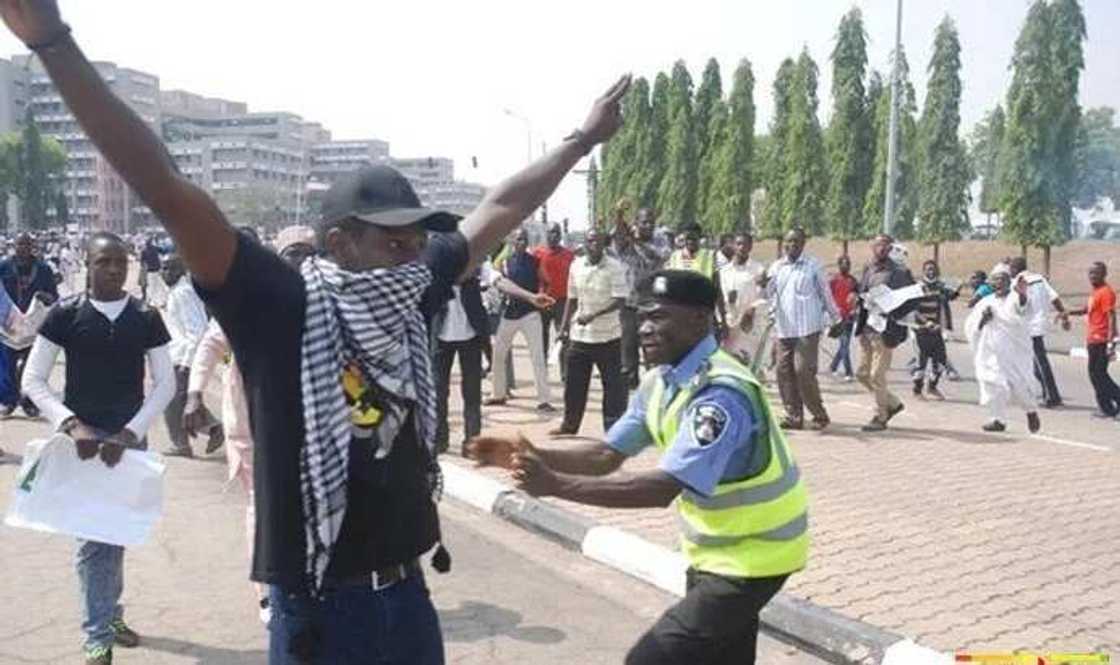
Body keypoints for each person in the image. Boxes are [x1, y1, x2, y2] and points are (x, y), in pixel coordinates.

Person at [1, 7, 629, 660]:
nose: (414, 255)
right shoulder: (277, 302)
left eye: (419, 241)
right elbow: (165, 183)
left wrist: (581, 140)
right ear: (340, 242)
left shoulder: (412, 284)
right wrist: (51, 41)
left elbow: (500, 206)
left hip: (408, 596)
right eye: (395, 241)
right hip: (317, 611)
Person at [468, 269, 808, 665]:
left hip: (756, 556)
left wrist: (555, 484)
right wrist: (533, 453)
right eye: (643, 317)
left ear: (699, 319)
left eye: (658, 317)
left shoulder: (719, 394)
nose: (644, 328)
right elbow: (606, 455)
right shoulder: (663, 381)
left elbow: (662, 487)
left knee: (651, 658)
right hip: (716, 553)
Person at [21, 231, 176, 665]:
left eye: (119, 262)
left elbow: (165, 383)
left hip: (129, 442)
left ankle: (110, 614)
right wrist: (72, 425)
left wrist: (130, 433)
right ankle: (97, 636)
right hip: (83, 446)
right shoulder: (65, 314)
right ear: (86, 265)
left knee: (117, 533)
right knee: (94, 541)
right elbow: (33, 380)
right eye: (103, 261)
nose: (113, 269)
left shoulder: (145, 316)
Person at [183, 227, 315, 626]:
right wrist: (194, 394)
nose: (301, 260)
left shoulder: (325, 298)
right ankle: (267, 592)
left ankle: (307, 581)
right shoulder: (255, 301)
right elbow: (210, 345)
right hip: (251, 421)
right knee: (262, 504)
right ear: (278, 258)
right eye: (293, 252)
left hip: (308, 424)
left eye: (308, 252)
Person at [553, 228, 628, 435]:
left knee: (612, 388)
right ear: (585, 243)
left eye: (598, 241)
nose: (594, 244)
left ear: (604, 244)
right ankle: (569, 426)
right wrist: (563, 328)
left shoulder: (615, 267)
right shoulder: (576, 266)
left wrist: (594, 314)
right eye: (590, 241)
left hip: (608, 337)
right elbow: (572, 298)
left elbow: (620, 300)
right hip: (580, 337)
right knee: (574, 386)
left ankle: (612, 430)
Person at [765, 228, 839, 430]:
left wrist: (836, 318)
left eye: (796, 242)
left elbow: (825, 294)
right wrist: (764, 288)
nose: (792, 245)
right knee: (783, 372)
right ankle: (794, 416)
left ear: (803, 244)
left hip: (807, 328)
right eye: (788, 241)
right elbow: (769, 294)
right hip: (783, 329)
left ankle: (819, 414)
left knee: (802, 371)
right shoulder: (776, 267)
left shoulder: (813, 265)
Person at [965, 266, 1042, 433]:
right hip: (991, 352)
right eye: (996, 279)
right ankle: (997, 419)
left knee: (1018, 383)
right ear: (991, 283)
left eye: (1003, 279)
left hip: (1014, 352)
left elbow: (1023, 310)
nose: (999, 282)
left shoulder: (1015, 297)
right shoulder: (985, 302)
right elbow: (972, 327)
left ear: (1008, 282)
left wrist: (1022, 295)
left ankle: (1030, 411)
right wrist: (983, 320)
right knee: (992, 383)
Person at [486, 227, 556, 411]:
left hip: (530, 314)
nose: (521, 242)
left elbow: (547, 281)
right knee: (498, 354)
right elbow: (497, 283)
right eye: (518, 239)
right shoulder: (505, 262)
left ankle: (544, 399)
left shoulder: (535, 261)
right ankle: (498, 394)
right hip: (509, 314)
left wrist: (543, 297)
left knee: (537, 356)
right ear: (512, 241)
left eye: (524, 239)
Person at [853, 234, 915, 432]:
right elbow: (862, 293)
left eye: (885, 245)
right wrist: (858, 298)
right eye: (878, 245)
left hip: (885, 330)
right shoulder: (869, 268)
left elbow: (913, 299)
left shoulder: (899, 272)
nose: (881, 248)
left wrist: (892, 310)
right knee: (862, 374)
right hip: (867, 329)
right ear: (872, 247)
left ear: (890, 248)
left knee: (876, 375)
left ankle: (880, 416)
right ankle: (893, 404)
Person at [431, 262, 491, 453]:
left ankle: (472, 442)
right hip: (441, 339)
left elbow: (498, 280)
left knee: (472, 393)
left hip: (471, 339)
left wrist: (530, 297)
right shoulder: (437, 277)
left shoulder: (476, 272)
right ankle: (440, 440)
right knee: (438, 392)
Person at [160, 254, 215, 457]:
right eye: (163, 268)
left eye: (171, 268)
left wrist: (186, 363)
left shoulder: (182, 293)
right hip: (178, 355)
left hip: (184, 357)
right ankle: (213, 428)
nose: (165, 273)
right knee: (180, 400)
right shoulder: (178, 291)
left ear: (182, 270)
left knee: (172, 401)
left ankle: (182, 445)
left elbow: (197, 331)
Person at [0, 232, 59, 418]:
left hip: (34, 326)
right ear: (14, 246)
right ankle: (8, 401)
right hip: (8, 324)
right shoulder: (3, 266)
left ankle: (29, 402)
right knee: (6, 365)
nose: (23, 248)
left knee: (31, 366)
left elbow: (54, 295)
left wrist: (46, 297)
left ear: (32, 246)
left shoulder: (43, 269)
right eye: (20, 244)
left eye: (26, 244)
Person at [609, 207, 665, 388]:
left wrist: (637, 241)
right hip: (629, 304)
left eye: (651, 222)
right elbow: (618, 236)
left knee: (652, 348)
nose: (648, 225)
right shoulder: (626, 243)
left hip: (652, 304)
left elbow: (659, 256)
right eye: (644, 222)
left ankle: (654, 386)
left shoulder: (660, 240)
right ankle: (631, 387)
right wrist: (619, 216)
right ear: (636, 223)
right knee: (628, 349)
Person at [1061, 262, 1120, 418]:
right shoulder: (1095, 292)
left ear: (1104, 274)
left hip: (1102, 340)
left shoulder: (1106, 292)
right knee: (1095, 375)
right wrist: (1068, 312)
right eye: (1090, 273)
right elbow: (1086, 310)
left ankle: (1113, 403)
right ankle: (1107, 409)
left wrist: (1111, 342)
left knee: (1099, 375)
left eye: (1096, 273)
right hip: (1093, 339)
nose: (1092, 276)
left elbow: (1112, 317)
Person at [1007, 256, 1067, 408]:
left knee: (1040, 362)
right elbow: (1055, 298)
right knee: (1034, 363)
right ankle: (1049, 394)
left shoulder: (1017, 282)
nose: (1009, 272)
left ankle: (1053, 397)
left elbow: (1015, 306)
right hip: (1039, 324)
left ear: (1016, 269)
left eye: (1011, 269)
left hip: (1028, 326)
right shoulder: (1040, 279)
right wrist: (1063, 314)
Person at [911, 260, 958, 401]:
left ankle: (932, 387)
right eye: (928, 269)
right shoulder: (917, 288)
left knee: (941, 362)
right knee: (921, 363)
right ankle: (917, 390)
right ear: (923, 271)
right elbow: (913, 310)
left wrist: (957, 288)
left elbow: (951, 296)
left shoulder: (940, 287)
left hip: (936, 330)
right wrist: (926, 322)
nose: (931, 272)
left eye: (933, 269)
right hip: (921, 330)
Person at [533, 223, 575, 376]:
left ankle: (566, 374)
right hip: (543, 301)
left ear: (561, 235)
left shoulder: (569, 256)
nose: (554, 235)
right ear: (546, 234)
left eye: (557, 232)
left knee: (564, 337)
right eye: (551, 232)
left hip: (562, 302)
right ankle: (542, 371)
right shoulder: (537, 254)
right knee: (541, 338)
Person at [719, 232, 765, 363]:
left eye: (745, 244)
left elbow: (763, 296)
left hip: (749, 325)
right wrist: (729, 301)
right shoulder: (724, 271)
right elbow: (720, 298)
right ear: (733, 245)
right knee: (728, 363)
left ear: (751, 247)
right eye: (738, 244)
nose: (742, 247)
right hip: (729, 323)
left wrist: (752, 309)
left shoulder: (758, 269)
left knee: (747, 362)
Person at [827, 255, 859, 381]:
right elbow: (828, 297)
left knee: (844, 345)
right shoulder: (833, 281)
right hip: (838, 317)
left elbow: (858, 297)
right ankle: (848, 372)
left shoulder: (853, 281)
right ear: (839, 265)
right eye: (843, 264)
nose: (845, 266)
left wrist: (855, 309)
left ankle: (833, 367)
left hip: (849, 317)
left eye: (847, 264)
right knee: (844, 344)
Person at [137, 235, 165, 306]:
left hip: (150, 271)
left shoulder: (144, 251)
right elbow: (163, 251)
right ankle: (160, 301)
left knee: (152, 287)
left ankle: (153, 301)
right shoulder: (155, 248)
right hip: (157, 270)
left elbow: (141, 262)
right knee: (159, 286)